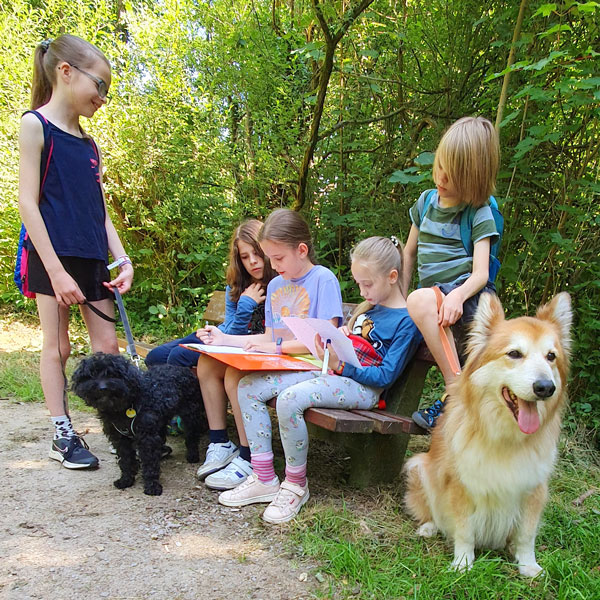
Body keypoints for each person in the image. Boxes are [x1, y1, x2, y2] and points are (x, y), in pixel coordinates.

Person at [212, 236, 422, 523]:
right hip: (333, 374)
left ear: (392, 276)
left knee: (289, 400)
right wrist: (336, 344)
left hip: (363, 388)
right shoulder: (367, 309)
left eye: (367, 284)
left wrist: (340, 363)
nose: (362, 290)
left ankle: (296, 485)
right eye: (358, 283)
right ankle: (263, 478)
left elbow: (384, 376)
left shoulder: (406, 321)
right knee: (249, 387)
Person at [18, 35, 133, 468]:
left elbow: (100, 212)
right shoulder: (36, 125)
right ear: (66, 71)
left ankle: (121, 427)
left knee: (108, 346)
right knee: (59, 346)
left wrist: (122, 260)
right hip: (51, 257)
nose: (102, 97)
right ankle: (62, 433)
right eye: (99, 85)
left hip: (91, 257)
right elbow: (27, 202)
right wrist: (56, 271)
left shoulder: (88, 144)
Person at [196, 208, 344, 491]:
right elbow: (268, 337)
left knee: (236, 378)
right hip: (284, 362)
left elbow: (325, 341)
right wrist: (224, 339)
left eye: (278, 258)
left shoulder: (323, 279)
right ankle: (251, 462)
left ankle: (249, 459)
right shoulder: (277, 284)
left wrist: (277, 348)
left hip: (314, 366)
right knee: (233, 373)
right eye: (271, 259)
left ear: (301, 250)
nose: (273, 266)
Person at [145, 219, 276, 482]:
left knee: (178, 357)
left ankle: (187, 418)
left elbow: (250, 335)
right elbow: (230, 325)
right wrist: (213, 333)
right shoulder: (238, 284)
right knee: (155, 357)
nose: (253, 262)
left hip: (244, 347)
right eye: (245, 256)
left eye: (257, 254)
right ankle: (215, 439)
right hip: (227, 340)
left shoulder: (277, 285)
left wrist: (246, 308)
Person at [402, 116, 500, 431]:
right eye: (441, 165)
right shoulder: (426, 203)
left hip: (467, 296)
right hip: (432, 299)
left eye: (453, 175)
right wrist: (401, 300)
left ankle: (454, 392)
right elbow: (408, 252)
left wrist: (457, 295)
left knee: (420, 301)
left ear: (474, 179)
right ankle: (457, 396)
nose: (441, 178)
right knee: (414, 303)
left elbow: (481, 274)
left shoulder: (479, 212)